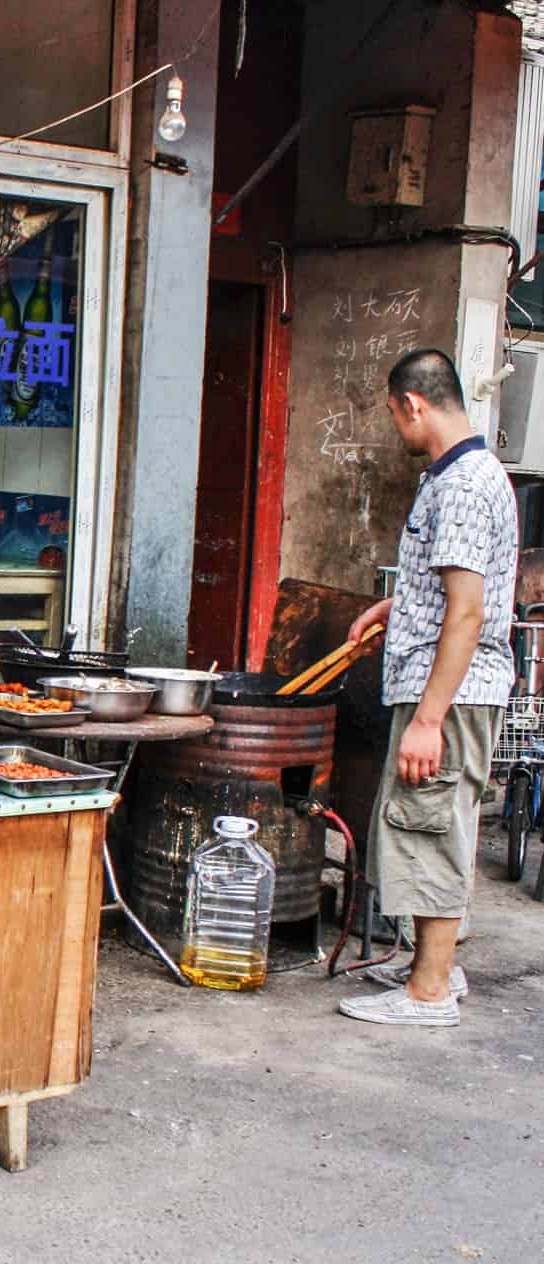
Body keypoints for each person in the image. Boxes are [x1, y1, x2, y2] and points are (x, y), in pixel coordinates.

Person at [340, 348, 516, 1028]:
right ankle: (429, 964)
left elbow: (468, 611)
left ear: (414, 404)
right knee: (431, 819)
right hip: (442, 683)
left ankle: (429, 990)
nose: (395, 427)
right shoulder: (456, 475)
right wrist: (398, 606)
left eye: (392, 414)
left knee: (432, 823)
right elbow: (452, 591)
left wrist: (428, 718)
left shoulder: (466, 485)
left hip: (451, 692)